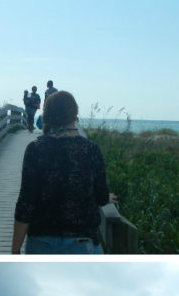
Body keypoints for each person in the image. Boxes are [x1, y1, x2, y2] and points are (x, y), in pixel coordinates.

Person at [11, 90, 117, 254]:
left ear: (47, 115)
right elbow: (102, 197)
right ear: (74, 116)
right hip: (82, 243)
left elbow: (26, 204)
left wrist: (15, 250)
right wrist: (104, 197)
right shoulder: (90, 149)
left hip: (41, 243)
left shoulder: (35, 149)